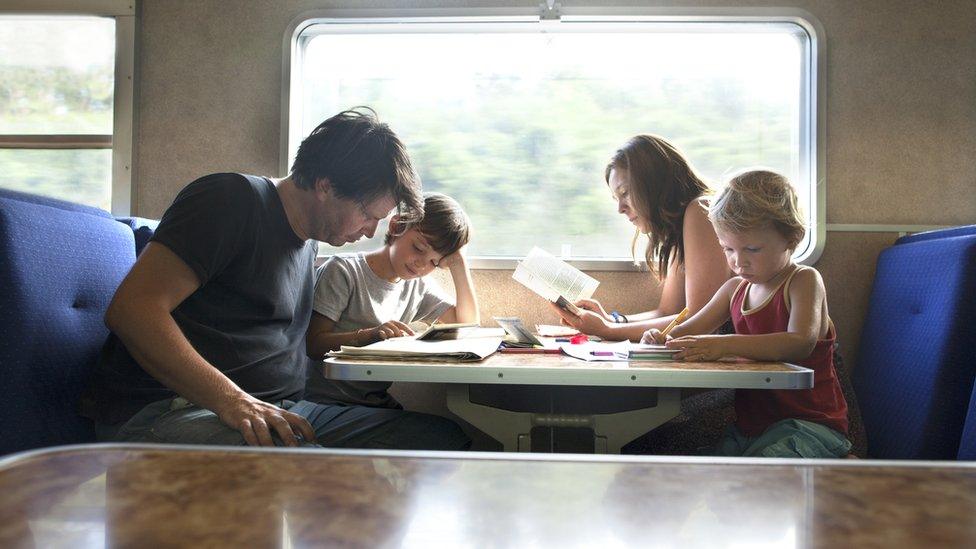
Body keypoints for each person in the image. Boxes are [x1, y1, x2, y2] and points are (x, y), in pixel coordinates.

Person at [80, 107, 470, 450]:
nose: (370, 232)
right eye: (368, 215)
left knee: (439, 442)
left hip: (280, 409)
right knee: (319, 475)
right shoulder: (230, 200)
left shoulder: (308, 244)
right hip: (173, 410)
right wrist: (234, 401)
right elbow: (132, 310)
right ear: (325, 186)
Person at [642, 169, 850, 458]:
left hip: (809, 426)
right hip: (752, 429)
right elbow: (690, 328)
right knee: (716, 475)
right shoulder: (734, 290)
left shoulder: (803, 281)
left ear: (792, 238)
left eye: (752, 249)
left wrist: (724, 345)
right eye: (728, 249)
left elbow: (800, 342)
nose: (738, 261)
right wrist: (661, 338)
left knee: (755, 480)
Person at [304, 192, 478, 408]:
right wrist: (370, 335)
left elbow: (467, 324)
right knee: (450, 439)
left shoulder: (416, 286)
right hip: (328, 402)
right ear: (396, 227)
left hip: (374, 403)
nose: (421, 265)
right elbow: (312, 344)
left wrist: (458, 264)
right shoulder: (344, 271)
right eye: (419, 248)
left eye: (434, 262)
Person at [552, 135, 730, 340]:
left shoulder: (699, 211)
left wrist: (606, 330)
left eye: (625, 193)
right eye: (616, 199)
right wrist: (611, 320)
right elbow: (667, 313)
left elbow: (698, 322)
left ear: (654, 184)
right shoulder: (678, 229)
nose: (620, 209)